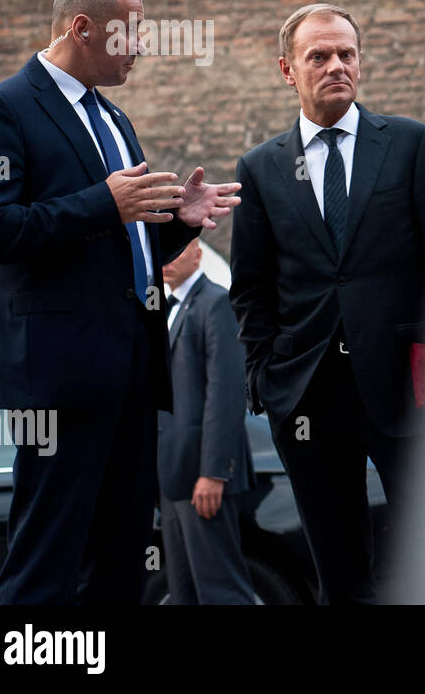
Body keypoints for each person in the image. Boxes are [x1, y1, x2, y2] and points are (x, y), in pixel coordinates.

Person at [0, 0, 241, 604]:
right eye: (132, 31)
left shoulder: (113, 119)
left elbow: (118, 244)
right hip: (56, 380)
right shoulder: (1, 108)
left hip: (133, 376)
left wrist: (174, 227)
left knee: (118, 567)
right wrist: (99, 205)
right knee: (43, 568)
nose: (142, 45)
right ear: (83, 29)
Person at [229, 2, 425, 603]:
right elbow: (252, 289)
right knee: (340, 573)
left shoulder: (411, 145)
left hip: (409, 392)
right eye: (319, 56)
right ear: (288, 69)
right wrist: (264, 379)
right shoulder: (260, 169)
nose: (337, 65)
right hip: (306, 395)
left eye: (347, 54)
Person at [158, 239, 256, 604]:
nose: (168, 258)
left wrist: (214, 473)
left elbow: (226, 393)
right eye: (164, 251)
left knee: (221, 591)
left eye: (178, 249)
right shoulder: (166, 308)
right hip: (173, 479)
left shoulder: (216, 302)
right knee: (185, 593)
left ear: (198, 254)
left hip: (204, 477)